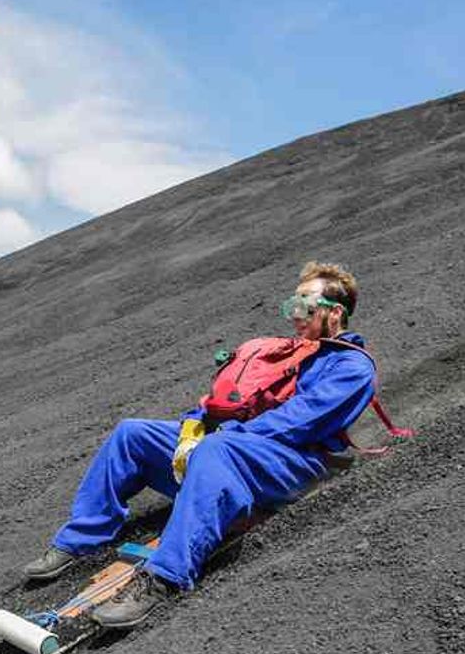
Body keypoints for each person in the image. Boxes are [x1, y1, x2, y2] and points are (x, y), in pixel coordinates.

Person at [23, 261, 379, 628]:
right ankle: (79, 539)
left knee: (215, 450)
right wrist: (195, 426)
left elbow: (299, 422)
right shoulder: (283, 353)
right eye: (291, 306)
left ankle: (163, 578)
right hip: (233, 449)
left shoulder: (351, 367)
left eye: (304, 306)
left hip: (292, 462)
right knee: (133, 433)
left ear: (335, 312)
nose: (294, 316)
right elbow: (232, 401)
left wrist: (222, 438)